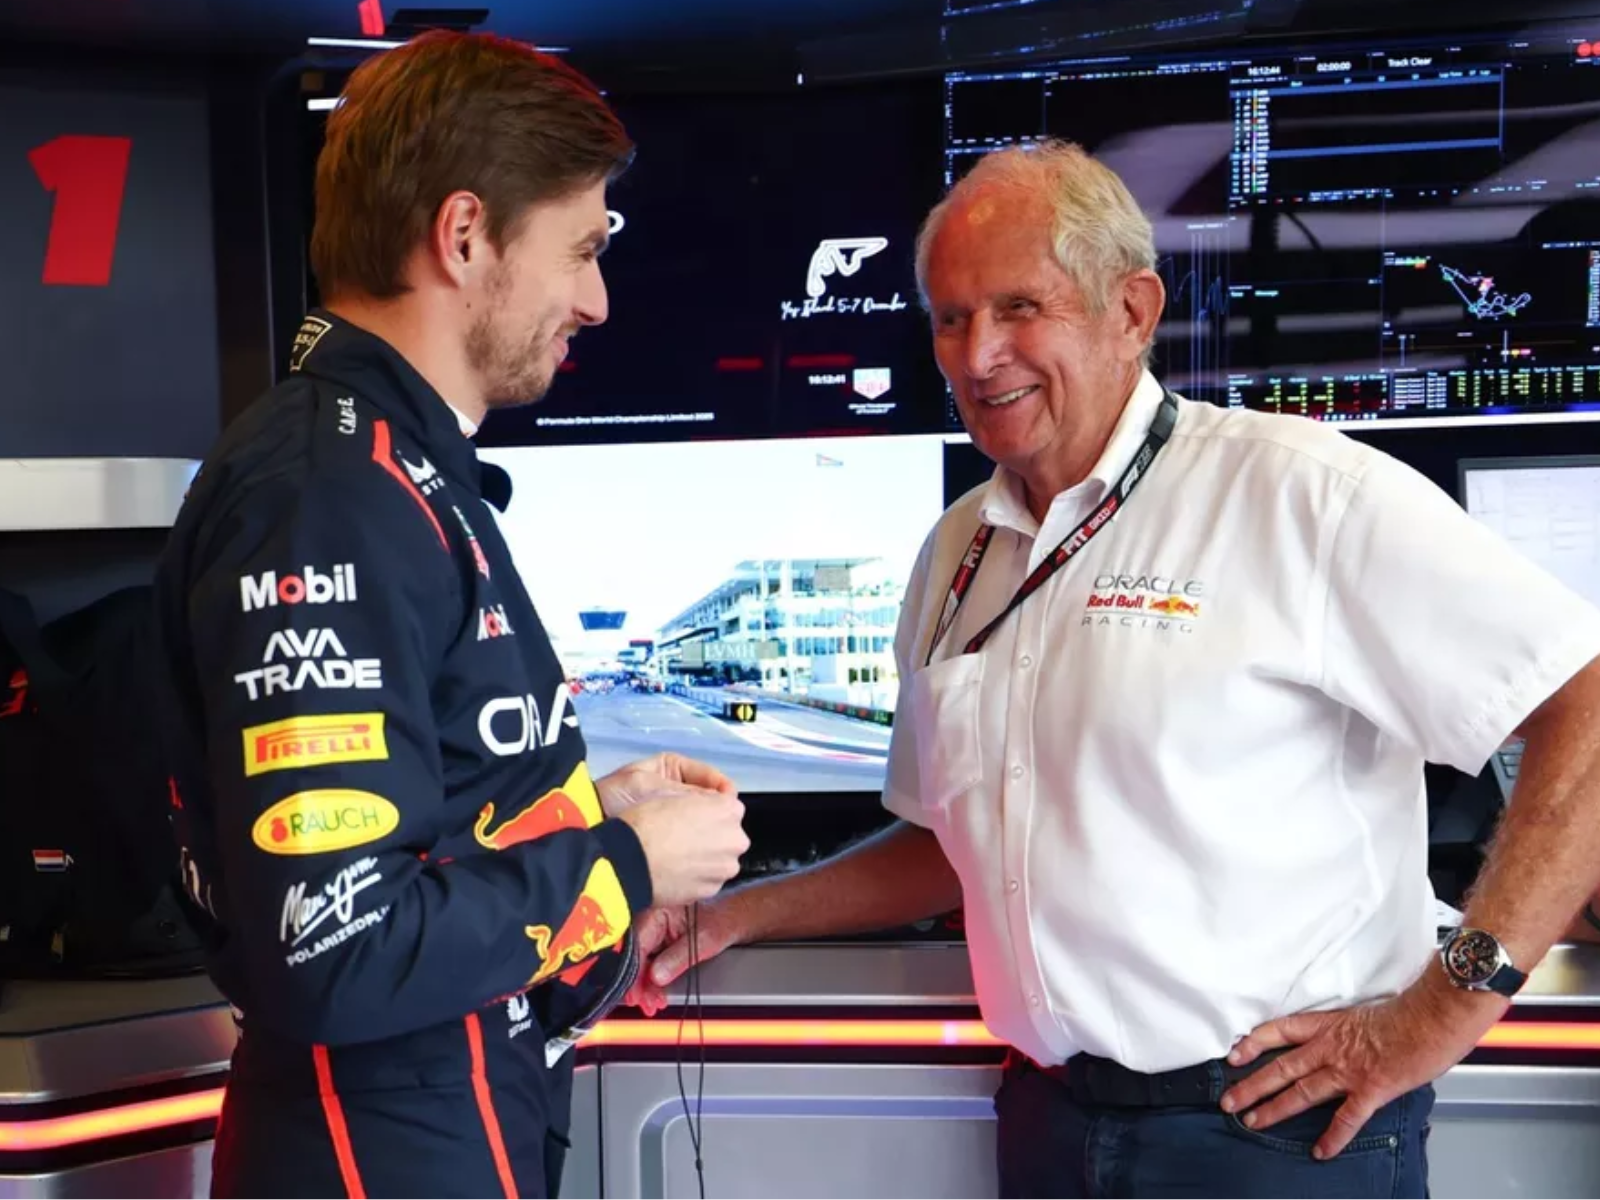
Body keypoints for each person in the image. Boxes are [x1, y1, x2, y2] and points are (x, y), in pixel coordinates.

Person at [628, 140, 1600, 1198]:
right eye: (950, 318)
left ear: (1132, 311)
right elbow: (956, 842)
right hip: (1050, 1122)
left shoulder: (1300, 494)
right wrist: (742, 911)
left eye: (1018, 308)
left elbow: (1583, 703)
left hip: (1274, 1132)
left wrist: (1445, 1009)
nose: (977, 355)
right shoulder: (958, 551)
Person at [150, 32, 748, 1199]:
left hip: (441, 1123)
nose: (596, 301)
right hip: (378, 1145)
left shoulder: (390, 469)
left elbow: (423, 821)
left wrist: (584, 811)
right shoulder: (328, 495)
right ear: (465, 235)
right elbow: (334, 944)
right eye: (582, 250)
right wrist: (624, 864)